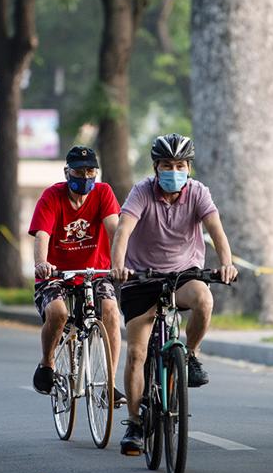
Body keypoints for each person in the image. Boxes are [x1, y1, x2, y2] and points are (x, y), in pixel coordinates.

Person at [110, 133, 238, 456]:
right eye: (167, 165)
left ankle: (190, 354)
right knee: (137, 353)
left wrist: (226, 264)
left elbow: (216, 231)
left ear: (189, 167)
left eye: (180, 165)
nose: (174, 170)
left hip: (184, 275)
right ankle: (136, 424)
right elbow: (123, 230)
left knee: (204, 299)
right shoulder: (141, 192)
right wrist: (118, 267)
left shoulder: (198, 193)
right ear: (156, 167)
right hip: (141, 278)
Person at [27, 146, 124, 404]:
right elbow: (42, 235)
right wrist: (41, 263)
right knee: (59, 313)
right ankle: (47, 362)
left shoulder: (103, 193)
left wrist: (121, 262)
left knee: (112, 311)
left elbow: (114, 228)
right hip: (57, 273)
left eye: (91, 171)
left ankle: (111, 384)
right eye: (79, 171)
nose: (85, 176)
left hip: (95, 272)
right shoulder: (52, 196)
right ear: (66, 172)